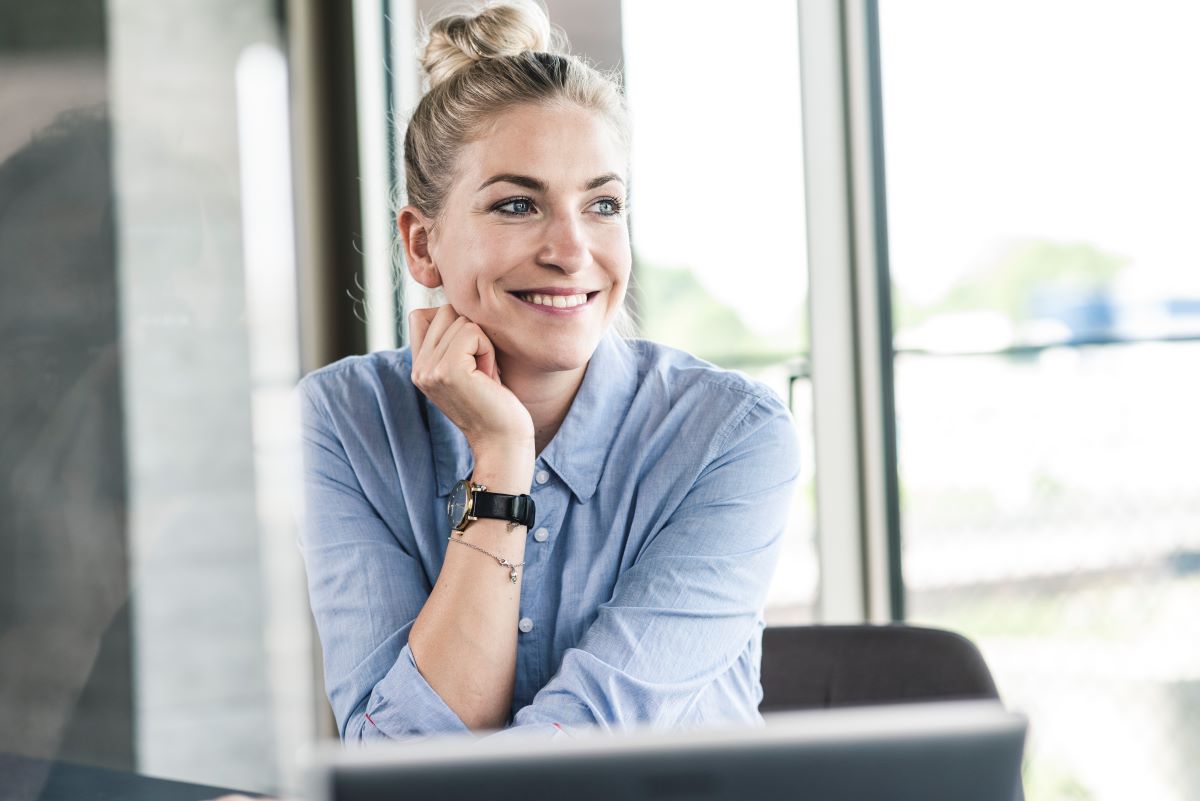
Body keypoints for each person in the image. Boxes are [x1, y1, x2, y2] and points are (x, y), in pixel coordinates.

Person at [298, 0, 801, 743]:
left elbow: (582, 753)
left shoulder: (730, 437)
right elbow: (396, 759)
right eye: (516, 205)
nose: (572, 249)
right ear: (422, 244)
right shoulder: (345, 419)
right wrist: (501, 463)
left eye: (602, 204)